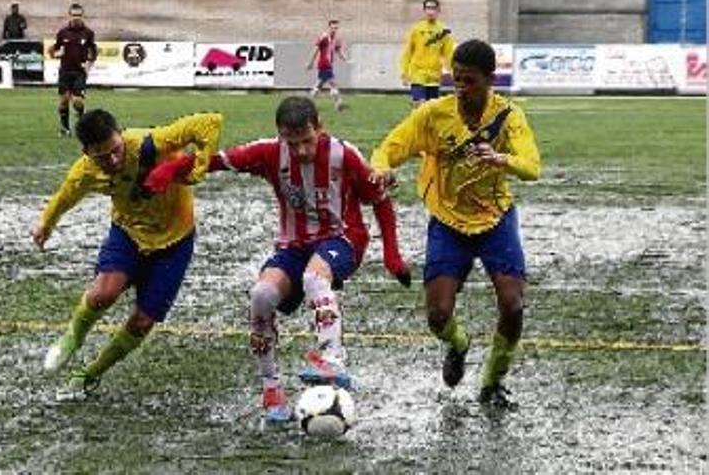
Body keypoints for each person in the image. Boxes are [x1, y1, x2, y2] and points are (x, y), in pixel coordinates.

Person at [143, 96, 411, 425]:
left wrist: (392, 255)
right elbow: (217, 161)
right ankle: (271, 387)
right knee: (261, 296)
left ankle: (333, 359)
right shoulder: (269, 152)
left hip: (342, 239)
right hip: (293, 246)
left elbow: (380, 201)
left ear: (320, 128)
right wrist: (171, 169)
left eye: (307, 141)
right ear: (280, 135)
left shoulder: (344, 154)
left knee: (314, 278)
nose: (300, 150)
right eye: (291, 142)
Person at [370, 40, 541, 409]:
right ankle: (459, 344)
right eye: (456, 79)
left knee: (513, 305)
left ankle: (492, 383)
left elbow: (532, 166)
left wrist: (501, 159)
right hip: (448, 222)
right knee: (437, 315)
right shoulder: (434, 114)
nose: (460, 88)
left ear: (490, 79)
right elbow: (390, 147)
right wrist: (382, 169)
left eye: (469, 81)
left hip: (495, 219)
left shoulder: (509, 116)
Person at [33, 108, 223, 401]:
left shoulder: (153, 142)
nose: (112, 160)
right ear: (86, 152)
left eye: (115, 150)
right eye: (101, 156)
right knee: (103, 294)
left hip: (175, 241)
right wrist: (46, 224)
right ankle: (73, 337)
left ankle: (90, 374)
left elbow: (211, 122)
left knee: (143, 322)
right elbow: (65, 196)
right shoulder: (84, 171)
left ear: (121, 135)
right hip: (128, 235)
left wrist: (200, 163)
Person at [48, 3, 97, 136]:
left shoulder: (88, 33)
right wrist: (56, 54)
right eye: (74, 15)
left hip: (79, 73)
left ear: (82, 16)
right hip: (64, 71)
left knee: (77, 102)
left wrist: (88, 66)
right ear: (69, 16)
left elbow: (94, 52)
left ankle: (81, 117)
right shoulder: (62, 33)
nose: (76, 18)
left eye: (79, 15)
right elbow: (54, 50)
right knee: (63, 101)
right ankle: (65, 128)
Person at [399, 0, 455, 108]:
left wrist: (453, 73)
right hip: (417, 73)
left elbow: (449, 55)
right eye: (428, 8)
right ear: (424, 11)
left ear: (438, 10)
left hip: (434, 75)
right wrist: (404, 72)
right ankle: (416, 123)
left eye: (433, 8)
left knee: (432, 110)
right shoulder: (416, 29)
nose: (430, 11)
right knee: (419, 105)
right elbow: (408, 52)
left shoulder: (444, 32)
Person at [306, 20, 347, 111]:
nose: (334, 30)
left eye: (336, 28)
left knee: (319, 85)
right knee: (333, 84)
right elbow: (316, 49)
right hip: (324, 64)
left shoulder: (336, 39)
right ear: (329, 27)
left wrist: (345, 59)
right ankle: (338, 105)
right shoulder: (324, 37)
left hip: (329, 65)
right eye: (332, 28)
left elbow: (338, 51)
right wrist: (311, 62)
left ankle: (308, 104)